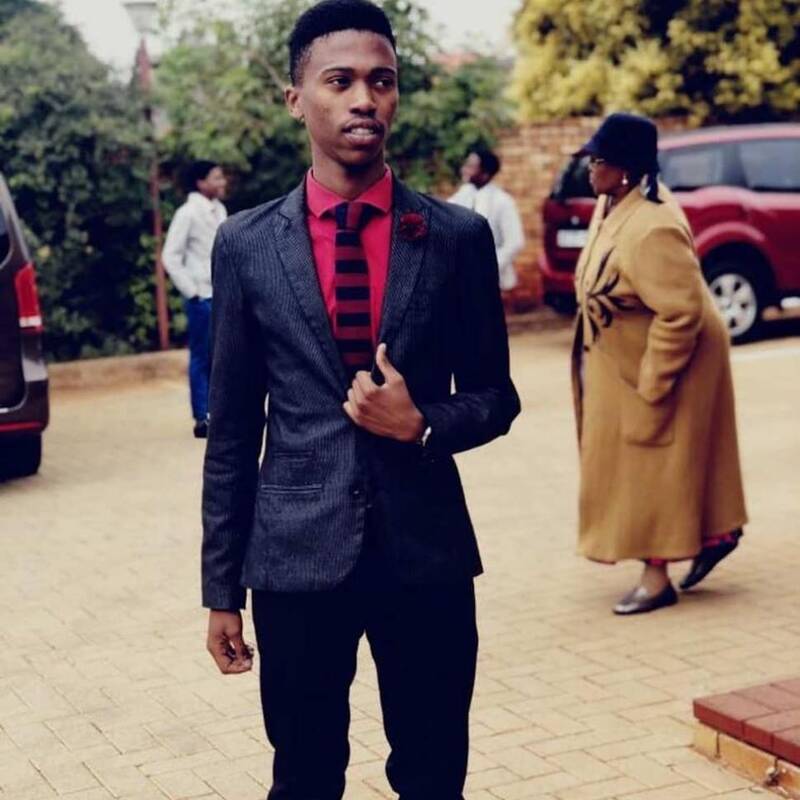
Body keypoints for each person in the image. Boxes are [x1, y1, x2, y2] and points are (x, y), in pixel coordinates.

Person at [201, 1, 520, 798]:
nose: (363, 99)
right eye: (339, 81)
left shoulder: (454, 238)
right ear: (296, 98)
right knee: (305, 777)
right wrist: (221, 591)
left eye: (382, 82)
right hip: (294, 558)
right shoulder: (245, 245)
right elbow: (233, 429)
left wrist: (423, 424)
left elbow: (497, 395)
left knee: (433, 775)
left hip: (426, 551)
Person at [571, 113, 747, 615]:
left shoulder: (652, 227)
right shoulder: (613, 205)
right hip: (625, 357)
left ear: (625, 170)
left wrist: (654, 381)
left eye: (598, 160)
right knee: (657, 459)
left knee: (653, 463)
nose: (589, 169)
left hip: (669, 357)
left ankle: (656, 578)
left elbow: (681, 311)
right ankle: (716, 534)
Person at [162, 160, 227, 438]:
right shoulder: (187, 213)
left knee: (223, 355)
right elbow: (170, 256)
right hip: (202, 297)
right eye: (216, 177)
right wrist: (193, 291)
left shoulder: (220, 210)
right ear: (201, 183)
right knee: (202, 357)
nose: (222, 182)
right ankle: (202, 417)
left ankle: (220, 413)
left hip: (223, 294)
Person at [449, 148, 525, 292]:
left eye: (471, 166)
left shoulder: (503, 202)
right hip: (461, 280)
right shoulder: (462, 195)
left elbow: (515, 242)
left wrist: (488, 267)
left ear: (485, 174)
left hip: (493, 282)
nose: (464, 169)